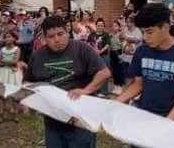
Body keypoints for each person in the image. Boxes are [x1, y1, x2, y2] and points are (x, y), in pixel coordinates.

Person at [25, 15, 111, 148]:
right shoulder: (37, 56)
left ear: (67, 31)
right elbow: (28, 83)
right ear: (44, 38)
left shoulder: (82, 48)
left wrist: (85, 90)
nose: (57, 39)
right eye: (51, 36)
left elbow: (104, 73)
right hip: (53, 122)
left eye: (60, 34)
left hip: (81, 120)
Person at [116, 3, 174, 125]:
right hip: (144, 116)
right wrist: (117, 101)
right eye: (143, 32)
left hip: (173, 121)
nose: (145, 37)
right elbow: (138, 84)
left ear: (165, 27)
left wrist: (165, 124)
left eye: (149, 32)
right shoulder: (142, 51)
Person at [0, 30, 22, 123]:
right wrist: (9, 62)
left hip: (12, 74)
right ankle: (0, 114)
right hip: (2, 73)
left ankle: (15, 115)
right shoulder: (2, 49)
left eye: (9, 36)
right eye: (6, 37)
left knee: (14, 95)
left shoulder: (17, 49)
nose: (7, 39)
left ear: (14, 38)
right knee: (1, 96)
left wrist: (3, 61)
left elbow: (15, 61)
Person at [87, 18, 111, 96]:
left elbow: (107, 45)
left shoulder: (106, 34)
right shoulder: (92, 34)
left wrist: (100, 51)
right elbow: (88, 43)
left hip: (104, 56)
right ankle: (96, 90)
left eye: (102, 25)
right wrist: (94, 50)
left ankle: (104, 91)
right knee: (95, 74)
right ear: (96, 26)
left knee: (104, 74)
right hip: (94, 57)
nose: (100, 27)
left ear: (104, 26)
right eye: (98, 25)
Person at [119, 15, 142, 83]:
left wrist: (126, 37)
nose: (127, 24)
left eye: (129, 22)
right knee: (125, 77)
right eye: (127, 22)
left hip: (134, 59)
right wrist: (122, 28)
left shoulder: (138, 31)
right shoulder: (125, 29)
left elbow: (136, 40)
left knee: (133, 78)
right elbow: (120, 38)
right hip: (125, 58)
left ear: (133, 23)